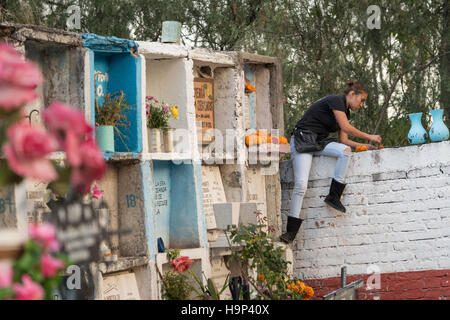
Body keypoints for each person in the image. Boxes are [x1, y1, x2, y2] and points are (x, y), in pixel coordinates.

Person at [280, 81, 382, 244]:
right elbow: (346, 127)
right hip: (302, 140)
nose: (361, 105)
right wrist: (369, 136)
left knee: (344, 152)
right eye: (361, 100)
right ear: (352, 94)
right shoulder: (336, 100)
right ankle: (290, 232)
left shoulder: (345, 113)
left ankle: (333, 196)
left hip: (318, 142)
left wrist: (363, 146)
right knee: (301, 185)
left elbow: (343, 140)